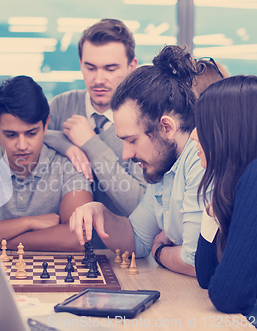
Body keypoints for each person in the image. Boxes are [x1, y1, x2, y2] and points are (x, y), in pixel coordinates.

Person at [69, 45, 205, 277]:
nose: (126, 154)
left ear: (166, 127)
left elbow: (194, 261)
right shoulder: (164, 167)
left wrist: (160, 251)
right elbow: (139, 240)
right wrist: (101, 213)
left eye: (132, 140)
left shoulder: (199, 160)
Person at [0, 76, 93, 251]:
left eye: (31, 133)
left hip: (52, 278)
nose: (22, 145)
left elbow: (79, 237)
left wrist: (0, 241)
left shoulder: (70, 164)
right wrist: (28, 223)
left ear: (45, 126)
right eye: (11, 135)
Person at [44, 19, 146, 250]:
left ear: (132, 66)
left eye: (111, 69)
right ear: (80, 63)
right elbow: (22, 139)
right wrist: (63, 142)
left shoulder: (144, 118)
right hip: (64, 247)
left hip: (125, 252)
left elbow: (141, 206)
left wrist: (90, 143)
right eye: (90, 68)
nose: (99, 79)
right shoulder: (62, 105)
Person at [191, 75, 257, 324]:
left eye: (203, 125)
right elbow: (206, 277)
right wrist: (212, 212)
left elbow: (227, 297)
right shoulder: (242, 183)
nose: (194, 136)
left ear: (230, 131)